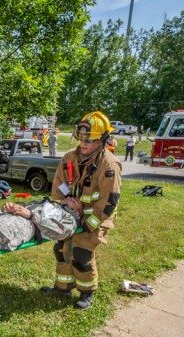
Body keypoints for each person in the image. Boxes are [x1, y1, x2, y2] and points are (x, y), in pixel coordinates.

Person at [41, 111, 121, 310]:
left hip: (95, 218)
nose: (84, 144)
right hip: (70, 215)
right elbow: (59, 183)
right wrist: (67, 202)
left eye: (90, 140)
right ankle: (62, 287)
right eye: (81, 138)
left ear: (102, 139)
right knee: (61, 250)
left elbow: (109, 200)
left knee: (81, 254)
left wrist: (87, 222)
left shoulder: (108, 164)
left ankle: (87, 292)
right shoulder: (69, 158)